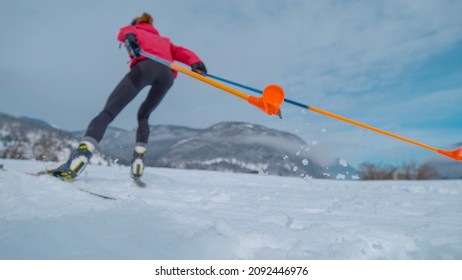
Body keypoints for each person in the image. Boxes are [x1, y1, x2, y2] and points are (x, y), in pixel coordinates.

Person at [48, 12, 207, 181]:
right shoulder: (164, 41)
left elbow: (123, 34)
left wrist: (130, 36)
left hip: (145, 67)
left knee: (108, 112)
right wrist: (196, 62)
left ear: (136, 22)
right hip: (167, 75)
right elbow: (181, 51)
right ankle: (139, 156)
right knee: (144, 115)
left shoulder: (134, 29)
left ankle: (81, 155)